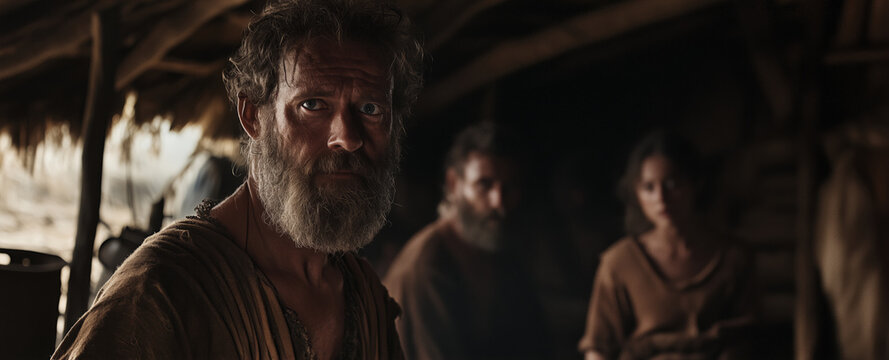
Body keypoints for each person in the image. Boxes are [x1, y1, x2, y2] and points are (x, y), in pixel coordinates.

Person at [53, 0, 424, 359]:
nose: (347, 136)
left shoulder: (366, 301)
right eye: (312, 105)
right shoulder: (161, 294)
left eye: (371, 108)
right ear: (253, 116)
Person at [578, 131, 757, 360]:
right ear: (636, 192)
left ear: (697, 184)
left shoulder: (734, 258)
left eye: (672, 184)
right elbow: (598, 348)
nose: (661, 197)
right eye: (649, 187)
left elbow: (746, 339)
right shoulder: (619, 263)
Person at [384, 123, 550, 360]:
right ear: (454, 184)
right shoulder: (425, 268)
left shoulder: (503, 256)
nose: (498, 203)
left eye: (509, 187)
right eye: (484, 184)